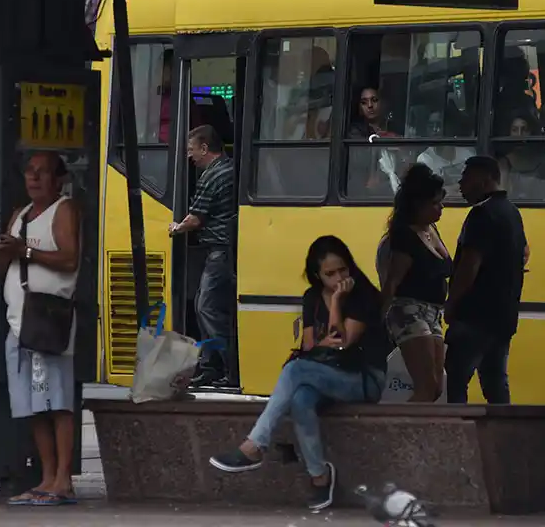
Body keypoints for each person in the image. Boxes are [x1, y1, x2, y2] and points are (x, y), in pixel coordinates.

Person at [209, 235, 389, 511]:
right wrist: (325, 340)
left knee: (295, 370)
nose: (338, 277)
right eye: (330, 274)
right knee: (300, 399)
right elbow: (310, 345)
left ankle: (254, 445)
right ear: (317, 275)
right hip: (322, 374)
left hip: (362, 379)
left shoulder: (363, 297)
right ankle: (320, 476)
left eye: (343, 269)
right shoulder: (312, 298)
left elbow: (341, 340)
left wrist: (338, 301)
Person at [0, 151, 81, 506]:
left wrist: (24, 251)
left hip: (46, 322)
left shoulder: (64, 209)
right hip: (19, 324)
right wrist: (2, 256)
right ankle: (47, 478)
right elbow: (5, 272)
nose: (34, 178)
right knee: (32, 405)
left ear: (58, 180)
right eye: (30, 171)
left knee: (56, 402)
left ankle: (63, 480)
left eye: (43, 173)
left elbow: (70, 259)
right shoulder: (20, 215)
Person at [444, 156, 528, 404]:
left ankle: (456, 436)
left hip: (475, 317)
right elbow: (522, 254)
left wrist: (452, 303)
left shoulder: (481, 215)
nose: (460, 184)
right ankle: (506, 438)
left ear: (484, 179)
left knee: (455, 382)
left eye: (466, 177)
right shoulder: (512, 212)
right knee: (495, 384)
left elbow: (469, 267)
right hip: (503, 317)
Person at [168, 125, 236, 387]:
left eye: (191, 150)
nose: (190, 156)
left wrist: (176, 228)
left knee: (206, 307)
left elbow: (195, 218)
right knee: (204, 305)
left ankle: (229, 365)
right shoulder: (229, 168)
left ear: (205, 148)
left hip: (219, 251)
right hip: (223, 250)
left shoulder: (211, 176)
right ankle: (210, 366)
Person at [381, 164, 452, 402]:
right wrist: (377, 318)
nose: (441, 208)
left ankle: (414, 432)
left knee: (437, 388)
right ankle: (397, 434)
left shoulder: (431, 230)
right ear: (418, 204)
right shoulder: (405, 237)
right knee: (426, 386)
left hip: (433, 313)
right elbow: (392, 281)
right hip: (409, 310)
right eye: (435, 203)